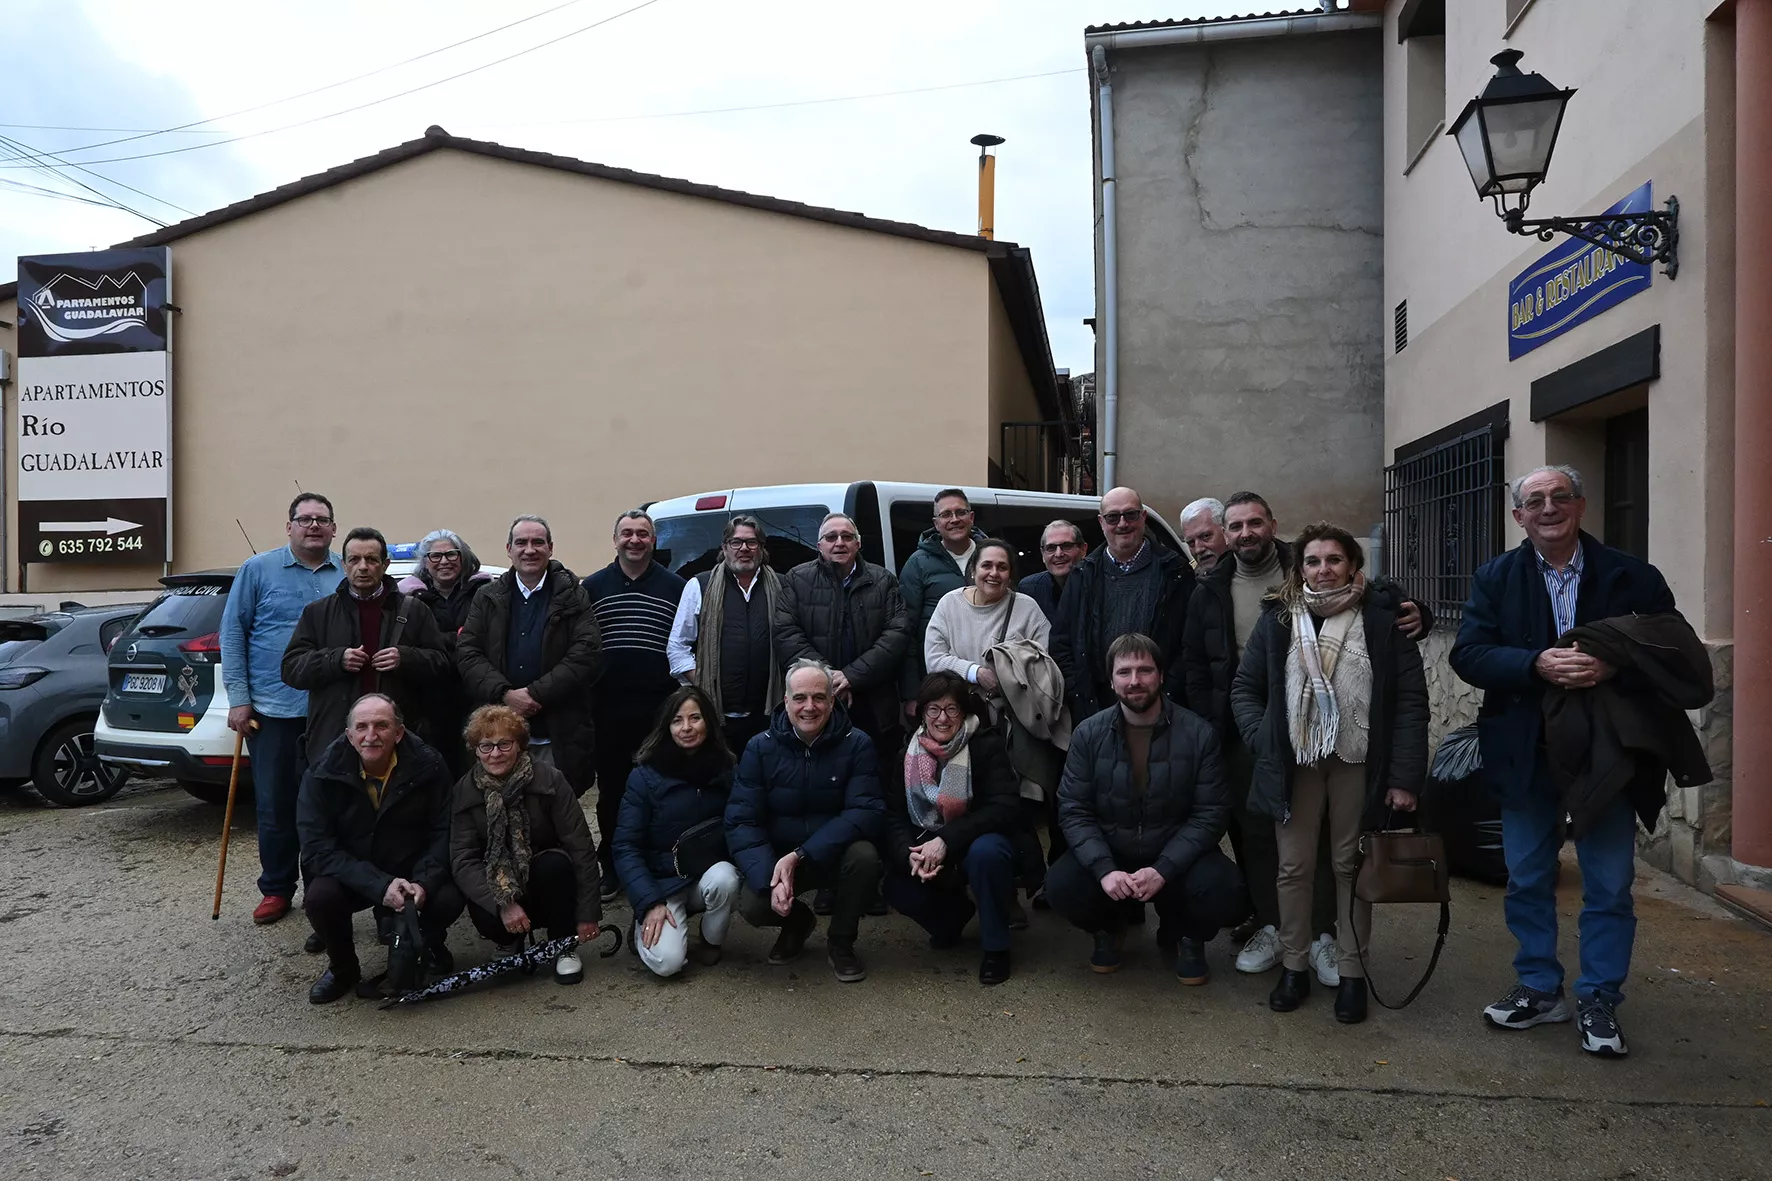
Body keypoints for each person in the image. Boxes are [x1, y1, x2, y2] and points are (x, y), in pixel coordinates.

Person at [1451, 465, 1680, 1057]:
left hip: (1608, 753)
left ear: (1580, 506)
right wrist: (1536, 665)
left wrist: (1613, 664)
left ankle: (1599, 997)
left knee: (1609, 883)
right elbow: (1470, 654)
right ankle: (1539, 986)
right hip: (1527, 751)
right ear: (1518, 516)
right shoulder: (1495, 578)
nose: (1548, 507)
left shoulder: (1633, 576)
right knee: (1527, 876)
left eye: (1560, 497)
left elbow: (1671, 645)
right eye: (1535, 500)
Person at [1184, 490, 1429, 983]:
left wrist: (1418, 610)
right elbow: (1205, 669)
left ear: (1275, 526)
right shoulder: (1217, 589)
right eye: (1236, 527)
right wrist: (1254, 732)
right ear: (1226, 536)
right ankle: (1276, 927)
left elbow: (1391, 623)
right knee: (1262, 839)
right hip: (1262, 738)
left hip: (1350, 747)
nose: (1246, 533)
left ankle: (1322, 935)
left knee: (1335, 848)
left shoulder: (1342, 590)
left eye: (1255, 523)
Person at [1047, 633, 1243, 982]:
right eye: (1124, 672)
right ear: (1111, 680)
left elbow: (1211, 813)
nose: (1135, 681)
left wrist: (1164, 869)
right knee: (1062, 885)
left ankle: (1185, 934)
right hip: (1113, 849)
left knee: (1224, 888)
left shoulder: (1199, 735)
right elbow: (1074, 809)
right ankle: (1109, 927)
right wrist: (1104, 869)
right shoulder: (1088, 735)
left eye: (1145, 670)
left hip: (1174, 854)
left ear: (1162, 675)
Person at [219, 493, 342, 926]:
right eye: (304, 519)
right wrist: (239, 698)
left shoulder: (346, 572)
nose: (313, 526)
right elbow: (232, 633)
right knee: (275, 806)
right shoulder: (258, 570)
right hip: (272, 711)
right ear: (288, 526)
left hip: (332, 713)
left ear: (333, 528)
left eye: (321, 520)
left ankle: (325, 889)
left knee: (329, 805)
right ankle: (276, 888)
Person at [725, 660, 885, 983]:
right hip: (778, 858)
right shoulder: (760, 747)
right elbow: (741, 820)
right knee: (753, 903)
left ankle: (841, 942)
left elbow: (865, 812)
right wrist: (769, 876)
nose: (809, 707)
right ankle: (796, 923)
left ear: (832, 700)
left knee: (865, 857)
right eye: (799, 698)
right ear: (785, 702)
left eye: (818, 697)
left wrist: (800, 855)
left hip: (829, 853)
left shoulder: (858, 744)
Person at [298, 694, 463, 1004]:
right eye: (361, 727)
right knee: (319, 897)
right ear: (349, 735)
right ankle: (343, 968)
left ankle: (425, 946)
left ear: (398, 732)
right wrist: (379, 884)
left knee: (449, 896)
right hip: (355, 874)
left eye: (381, 726)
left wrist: (424, 882)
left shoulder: (430, 765)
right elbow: (317, 848)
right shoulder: (321, 773)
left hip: (411, 870)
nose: (370, 735)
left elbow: (445, 832)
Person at [924, 537, 1064, 892]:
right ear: (973, 570)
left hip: (1011, 726)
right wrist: (975, 672)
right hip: (960, 726)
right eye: (986, 565)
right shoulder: (949, 605)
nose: (993, 573)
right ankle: (972, 883)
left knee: (1011, 803)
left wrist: (1009, 673)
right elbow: (934, 656)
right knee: (967, 802)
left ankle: (1014, 882)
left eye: (1002, 567)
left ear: (1010, 574)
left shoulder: (1027, 608)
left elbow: (1045, 660)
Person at [883, 672, 1021, 985]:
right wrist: (910, 856)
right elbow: (893, 815)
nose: (942, 718)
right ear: (922, 712)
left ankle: (996, 947)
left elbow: (1003, 807)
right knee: (895, 886)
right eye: (933, 709)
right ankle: (952, 919)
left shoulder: (985, 746)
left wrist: (946, 840)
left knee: (989, 855)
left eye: (952, 709)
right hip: (926, 841)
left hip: (975, 839)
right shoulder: (907, 754)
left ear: (965, 712)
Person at [450, 704, 603, 986]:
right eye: (486, 746)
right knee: (481, 902)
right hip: (500, 882)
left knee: (556, 865)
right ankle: (509, 941)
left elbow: (581, 846)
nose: (495, 753)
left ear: (520, 744)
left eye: (504, 744)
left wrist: (587, 915)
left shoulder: (550, 778)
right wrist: (503, 905)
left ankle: (562, 945)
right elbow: (463, 859)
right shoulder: (465, 790)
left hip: (544, 877)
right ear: (475, 750)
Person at [456, 515, 604, 799]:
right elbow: (468, 652)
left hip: (558, 729)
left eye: (538, 542)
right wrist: (505, 693)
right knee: (501, 808)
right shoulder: (487, 597)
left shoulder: (574, 594)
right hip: (499, 730)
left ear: (550, 548)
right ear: (508, 549)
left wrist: (536, 693)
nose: (529, 549)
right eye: (521, 542)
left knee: (552, 810)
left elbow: (586, 651)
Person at [582, 510, 687, 901]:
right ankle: (610, 862)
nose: (635, 540)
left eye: (643, 534)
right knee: (611, 790)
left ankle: (653, 861)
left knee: (659, 788)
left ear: (653, 541)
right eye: (627, 533)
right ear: (615, 540)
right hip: (606, 708)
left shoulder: (676, 587)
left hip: (659, 709)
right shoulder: (591, 587)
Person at [282, 526, 451, 765]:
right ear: (344, 565)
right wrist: (335, 660)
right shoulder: (317, 613)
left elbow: (442, 665)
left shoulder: (415, 611)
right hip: (334, 741)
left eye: (371, 559)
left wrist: (406, 658)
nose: (363, 566)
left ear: (385, 564)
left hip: (399, 742)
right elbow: (291, 670)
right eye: (355, 559)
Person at [613, 686, 743, 977]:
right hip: (661, 884)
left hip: (706, 876)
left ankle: (711, 941)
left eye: (695, 718)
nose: (686, 728)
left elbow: (743, 825)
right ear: (666, 726)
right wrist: (649, 901)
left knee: (726, 878)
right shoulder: (644, 776)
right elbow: (625, 846)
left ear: (708, 721)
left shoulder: (728, 768)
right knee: (668, 964)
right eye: (677, 720)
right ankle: (644, 928)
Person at [1051, 487, 1196, 724]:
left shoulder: (1175, 572)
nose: (1122, 524)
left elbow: (1189, 642)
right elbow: (1062, 644)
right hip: (1097, 710)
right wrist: (1080, 694)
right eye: (1112, 517)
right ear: (1101, 522)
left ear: (1143, 518)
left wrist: (1169, 693)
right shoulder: (1082, 575)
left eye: (1130, 515)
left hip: (1161, 709)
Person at [774, 512, 911, 746]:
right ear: (819, 546)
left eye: (847, 536)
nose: (839, 542)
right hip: (815, 700)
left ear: (858, 544)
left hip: (873, 702)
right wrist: (827, 678)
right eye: (831, 537)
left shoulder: (883, 581)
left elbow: (896, 635)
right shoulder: (796, 579)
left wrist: (851, 676)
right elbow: (786, 633)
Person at [667, 514, 784, 756]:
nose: (744, 548)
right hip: (717, 716)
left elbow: (793, 641)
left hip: (769, 714)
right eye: (736, 542)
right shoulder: (699, 585)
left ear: (761, 548)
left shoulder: (782, 586)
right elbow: (677, 646)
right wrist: (703, 679)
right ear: (724, 547)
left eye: (752, 542)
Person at [401, 528, 494, 776]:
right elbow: (412, 648)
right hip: (427, 705)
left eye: (451, 554)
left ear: (463, 558)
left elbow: (488, 641)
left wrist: (439, 640)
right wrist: (459, 638)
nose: (444, 561)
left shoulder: (484, 592)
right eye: (435, 556)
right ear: (425, 563)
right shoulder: (409, 598)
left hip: (475, 698)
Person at [897, 488, 989, 706]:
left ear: (972, 517)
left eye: (961, 512)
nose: (954, 519)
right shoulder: (917, 564)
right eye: (946, 514)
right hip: (940, 684)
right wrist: (911, 694)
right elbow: (906, 631)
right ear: (936, 523)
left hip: (988, 682)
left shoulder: (991, 557)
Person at [1018, 519, 1088, 626]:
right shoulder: (1029, 589)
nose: (1058, 554)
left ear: (1083, 550)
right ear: (1042, 554)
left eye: (1066, 546)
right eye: (1051, 548)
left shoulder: (1101, 585)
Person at [1178, 498, 1231, 573]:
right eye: (1191, 542)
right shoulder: (1190, 579)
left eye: (1206, 536)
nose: (1198, 549)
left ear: (1225, 531)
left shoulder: (1249, 571)